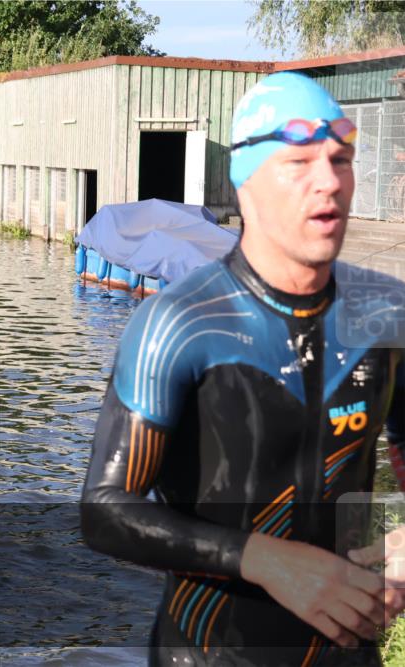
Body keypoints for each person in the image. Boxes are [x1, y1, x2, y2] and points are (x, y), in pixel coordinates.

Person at [81, 71, 405, 666]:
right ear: (246, 182)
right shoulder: (177, 325)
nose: (328, 182)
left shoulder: (388, 315)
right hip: (209, 651)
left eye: (342, 160)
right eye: (299, 163)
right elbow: (105, 509)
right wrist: (265, 559)